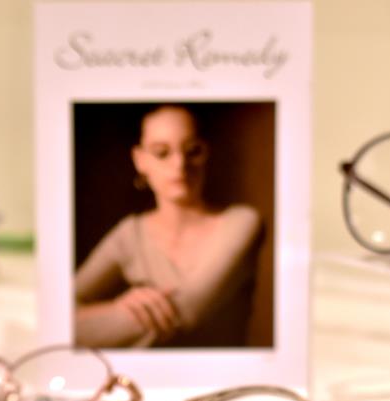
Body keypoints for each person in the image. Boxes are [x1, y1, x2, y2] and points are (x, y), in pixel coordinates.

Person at [74, 104, 263, 348]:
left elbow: (185, 310)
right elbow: (55, 310)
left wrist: (81, 323)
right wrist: (118, 307)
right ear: (140, 160)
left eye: (192, 150)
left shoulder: (241, 222)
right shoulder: (130, 234)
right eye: (162, 153)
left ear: (207, 152)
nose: (179, 164)